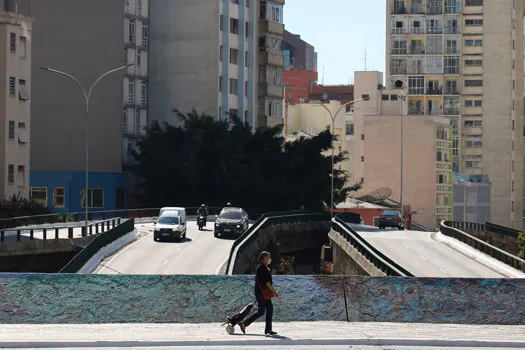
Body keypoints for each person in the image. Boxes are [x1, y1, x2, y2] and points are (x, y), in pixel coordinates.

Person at [239, 251, 278, 335]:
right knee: (261, 311)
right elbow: (266, 282)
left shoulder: (265, 267)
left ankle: (268, 329)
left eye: (268, 258)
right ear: (262, 259)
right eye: (266, 258)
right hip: (261, 292)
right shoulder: (261, 268)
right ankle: (244, 323)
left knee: (269, 309)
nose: (268, 260)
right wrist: (274, 292)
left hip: (265, 292)